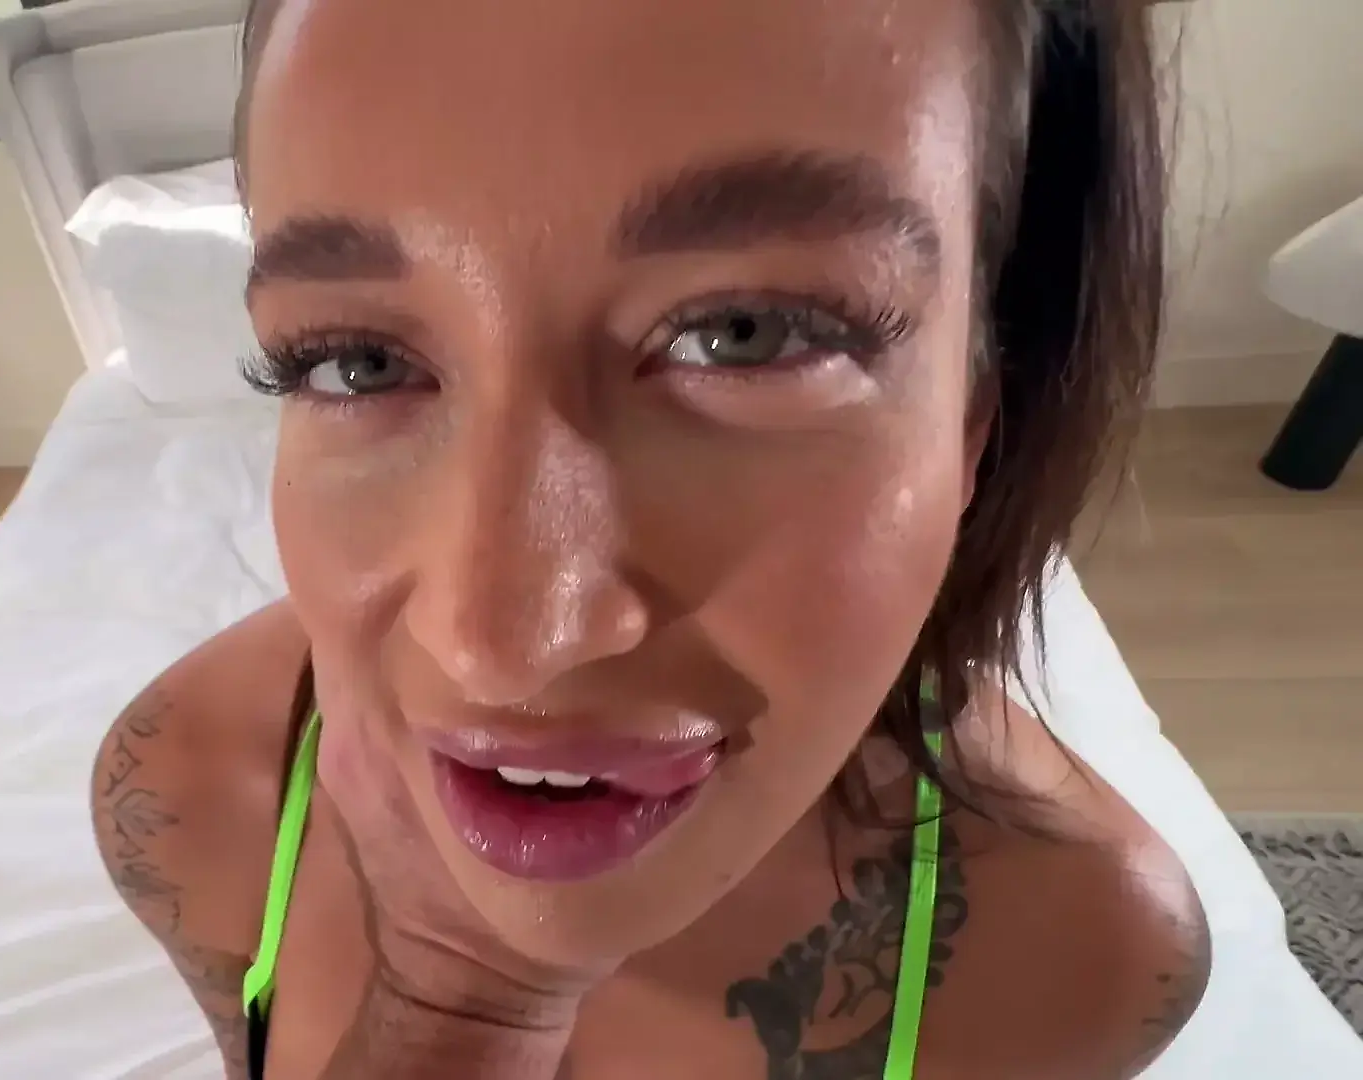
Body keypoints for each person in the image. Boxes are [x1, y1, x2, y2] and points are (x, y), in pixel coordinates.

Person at [91, 0, 1210, 1076]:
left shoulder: (1084, 953)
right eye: (356, 361)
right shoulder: (190, 792)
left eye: (745, 334)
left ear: (977, 418)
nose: (505, 647)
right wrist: (452, 998)